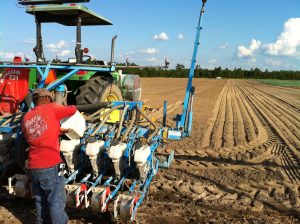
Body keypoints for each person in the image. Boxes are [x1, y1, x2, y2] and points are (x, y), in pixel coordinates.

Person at [22, 88, 77, 224]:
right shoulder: (51, 108)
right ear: (47, 99)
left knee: (41, 201)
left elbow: (36, 135)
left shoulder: (26, 118)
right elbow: (71, 110)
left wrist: (57, 130)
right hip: (50, 165)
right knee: (56, 201)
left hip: (33, 166)